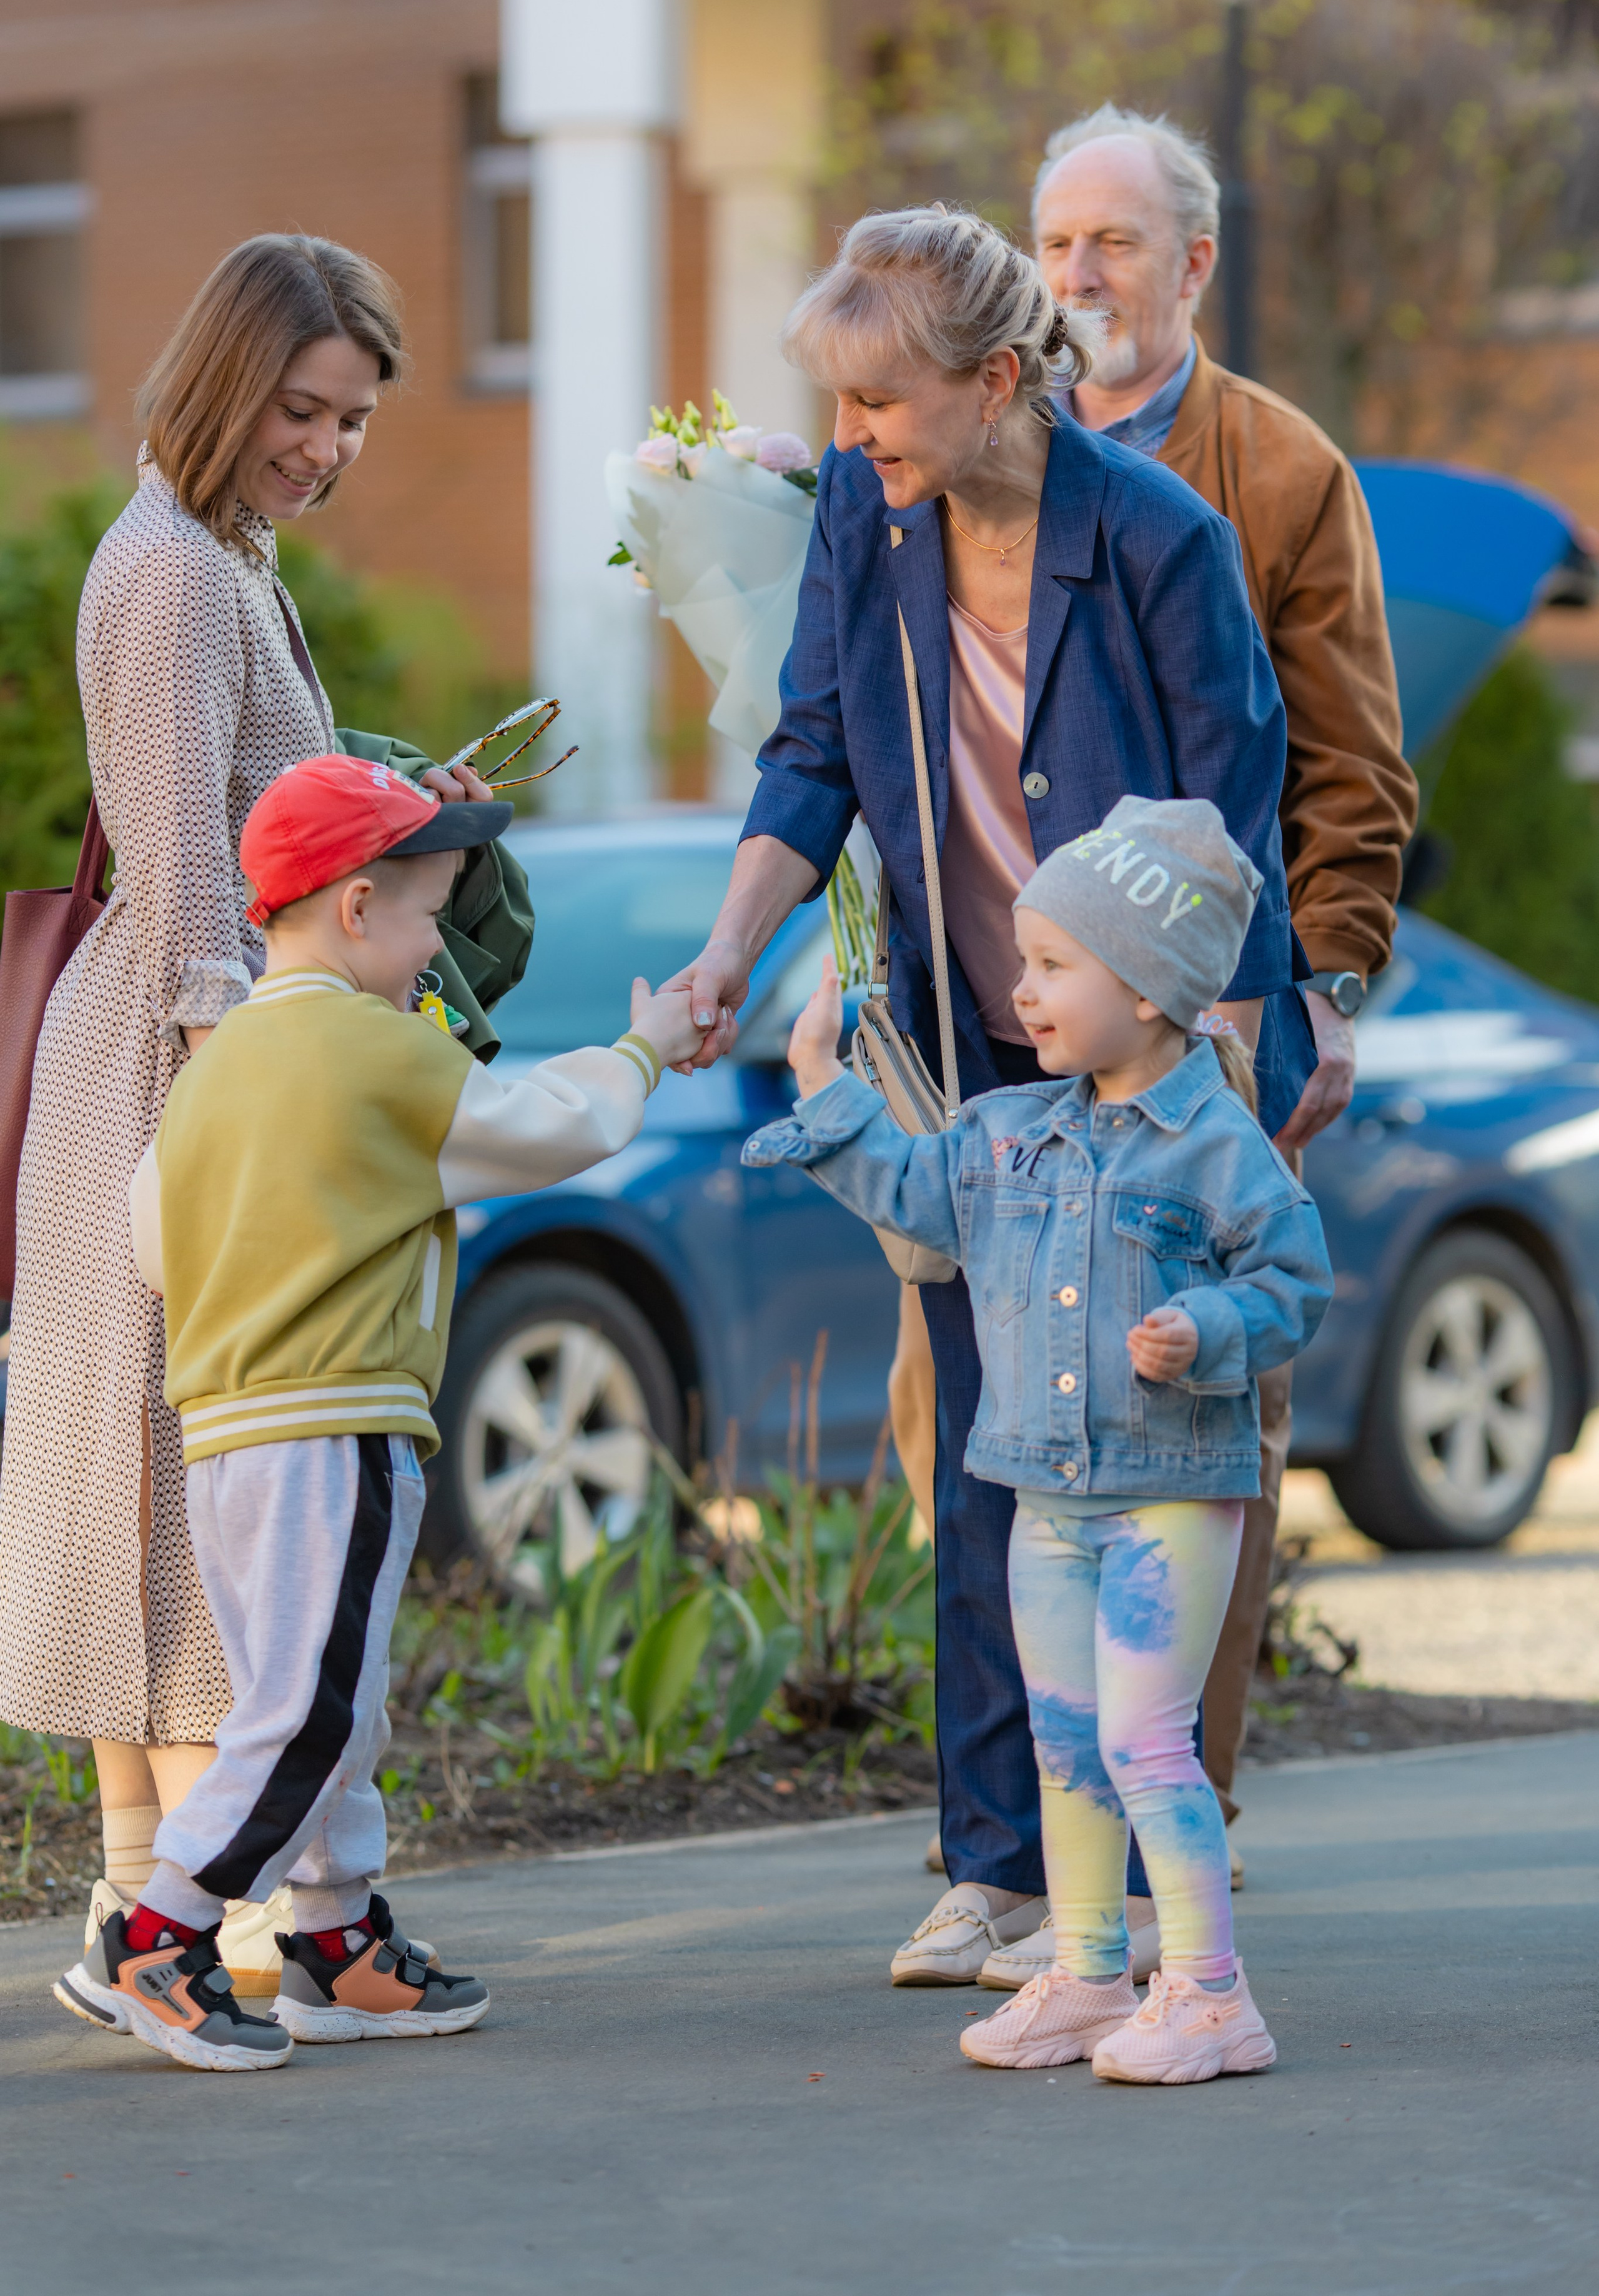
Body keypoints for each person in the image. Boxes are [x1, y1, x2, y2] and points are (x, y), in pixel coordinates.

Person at [665, 205, 1314, 1985]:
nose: (859, 431)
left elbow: (1233, 820)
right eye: (846, 402)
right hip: (968, 1039)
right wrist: (732, 950)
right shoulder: (871, 531)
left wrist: (1200, 1068)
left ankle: (1124, 1884)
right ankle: (997, 1867)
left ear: (998, 381)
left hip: (1154, 1059)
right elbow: (810, 749)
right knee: (983, 1433)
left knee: (1124, 1451)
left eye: (884, 398)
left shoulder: (1162, 539)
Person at [0, 234, 520, 1997]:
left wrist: (398, 822)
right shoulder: (175, 577)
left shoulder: (222, 553)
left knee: (184, 1492)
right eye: (303, 408)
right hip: (179, 1061)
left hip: (195, 1062)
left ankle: (220, 1914)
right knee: (181, 1489)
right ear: (227, 382)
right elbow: (176, 868)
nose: (327, 445)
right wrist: (257, 1097)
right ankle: (183, 1919)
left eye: (355, 419)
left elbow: (251, 825)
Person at [55, 754, 701, 2070]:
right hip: (336, 1422)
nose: (431, 951)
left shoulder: (217, 1066)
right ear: (354, 908)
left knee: (322, 1691)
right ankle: (158, 1933)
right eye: (426, 917)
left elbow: (153, 1244)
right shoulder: (376, 1045)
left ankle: (334, 1940)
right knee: (309, 1708)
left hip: (227, 1432)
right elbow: (539, 1124)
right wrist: (646, 1048)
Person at [746, 797, 1332, 2082]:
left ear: (1151, 983)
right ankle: (1082, 1976)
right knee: (1065, 1749)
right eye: (1024, 961)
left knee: (1141, 1742)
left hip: (1171, 1497)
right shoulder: (1005, 1131)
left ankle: (1210, 1994)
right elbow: (914, 1206)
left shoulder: (1218, 1144)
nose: (1022, 990)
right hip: (1040, 1504)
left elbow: (1294, 1282)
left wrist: (1207, 1321)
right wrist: (825, 1094)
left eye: (1053, 965)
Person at [1029, 105, 1417, 1856]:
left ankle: (1187, 1810)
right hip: (1013, 1025)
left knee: (1198, 1419)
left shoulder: (1280, 468)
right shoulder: (987, 449)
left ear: (1194, 263)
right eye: (1053, 244)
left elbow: (1353, 769)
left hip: (1209, 1034)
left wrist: (1319, 981)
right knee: (1002, 1414)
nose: (1078, 275)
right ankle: (1024, 1832)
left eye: (1113, 241)